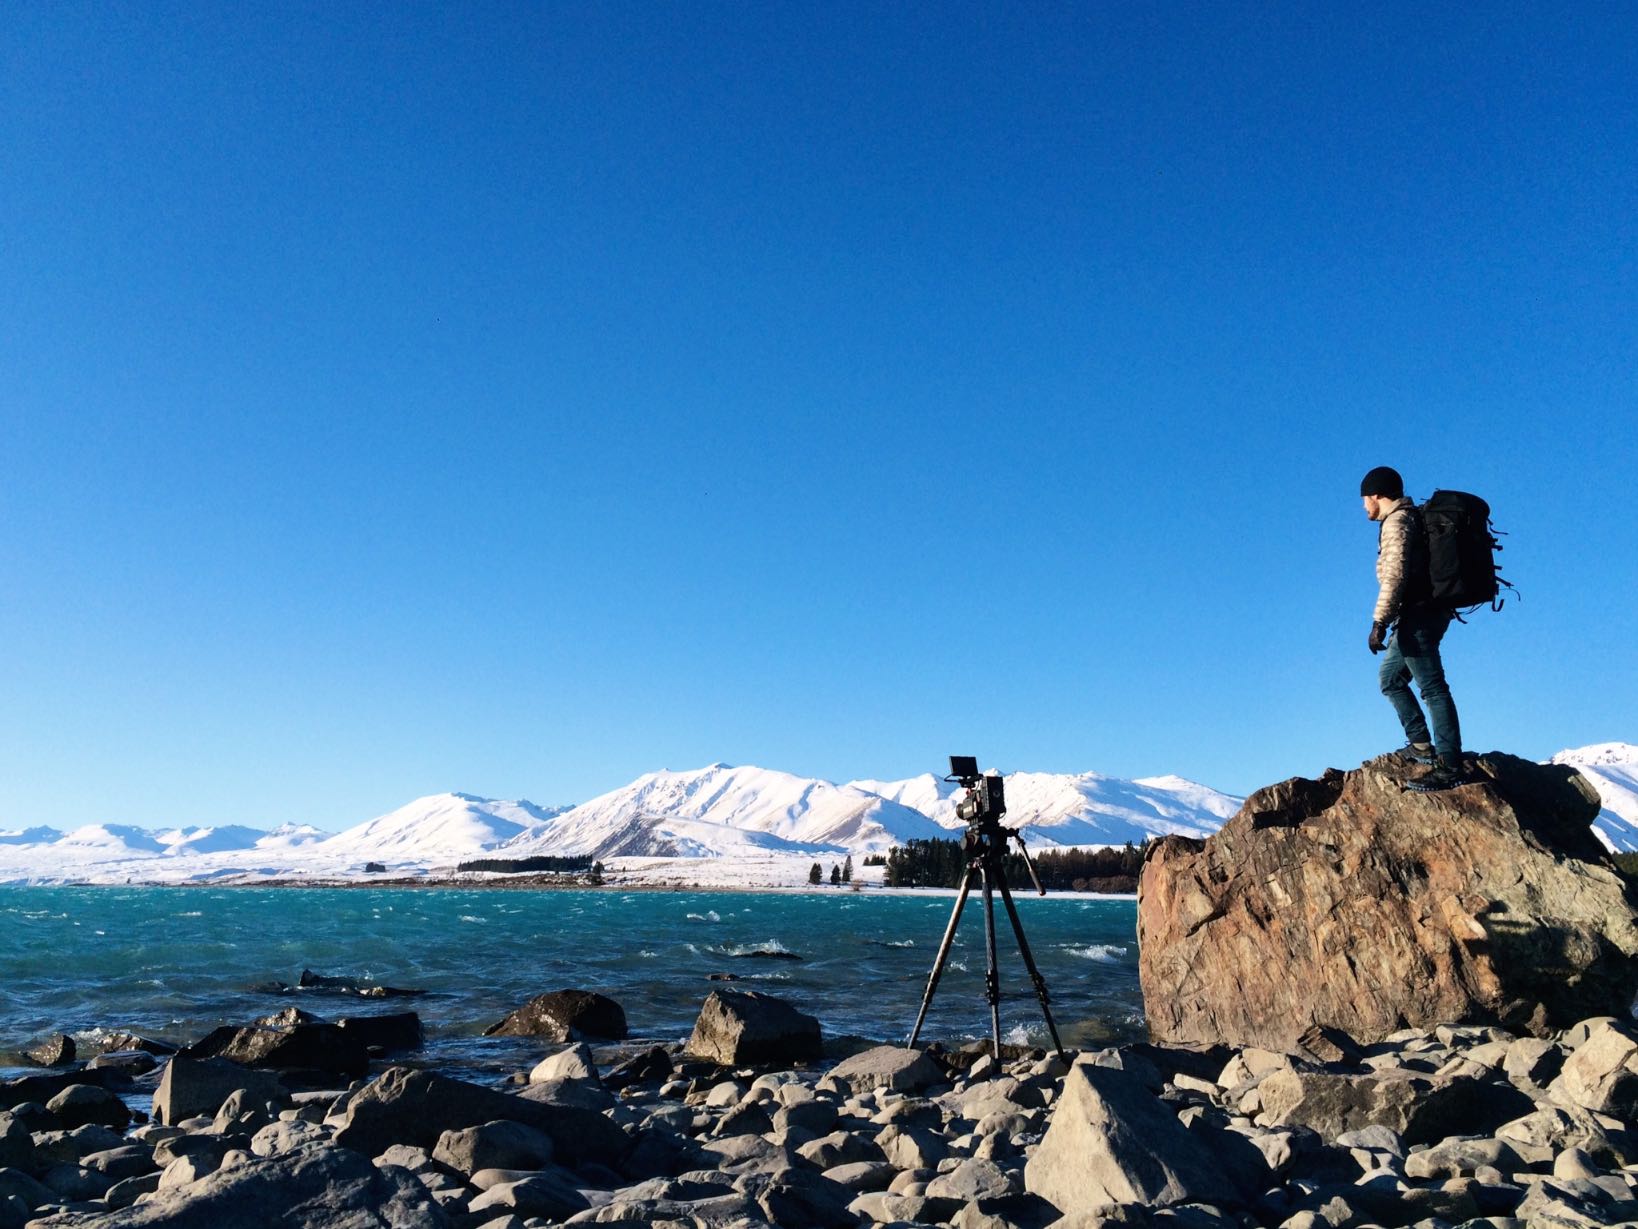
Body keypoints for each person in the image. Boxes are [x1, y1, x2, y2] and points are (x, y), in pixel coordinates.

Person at [1360, 466, 1469, 792]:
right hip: (1420, 614)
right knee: (1390, 678)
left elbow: (1395, 574)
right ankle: (1421, 744)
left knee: (1433, 688)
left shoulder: (1397, 522)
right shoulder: (1407, 519)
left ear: (1377, 495)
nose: (1365, 506)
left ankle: (1450, 765)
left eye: (1366, 498)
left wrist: (1379, 621)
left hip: (1421, 614)